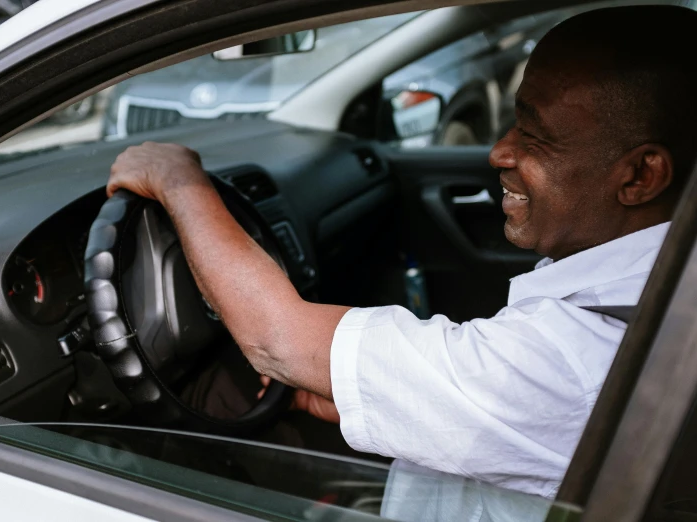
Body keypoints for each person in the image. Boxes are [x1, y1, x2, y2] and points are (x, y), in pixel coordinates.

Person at [105, 5, 697, 501]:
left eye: (535, 135)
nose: (498, 153)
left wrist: (178, 182)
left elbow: (274, 340)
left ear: (641, 176)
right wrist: (395, 402)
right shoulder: (656, 300)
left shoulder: (574, 360)